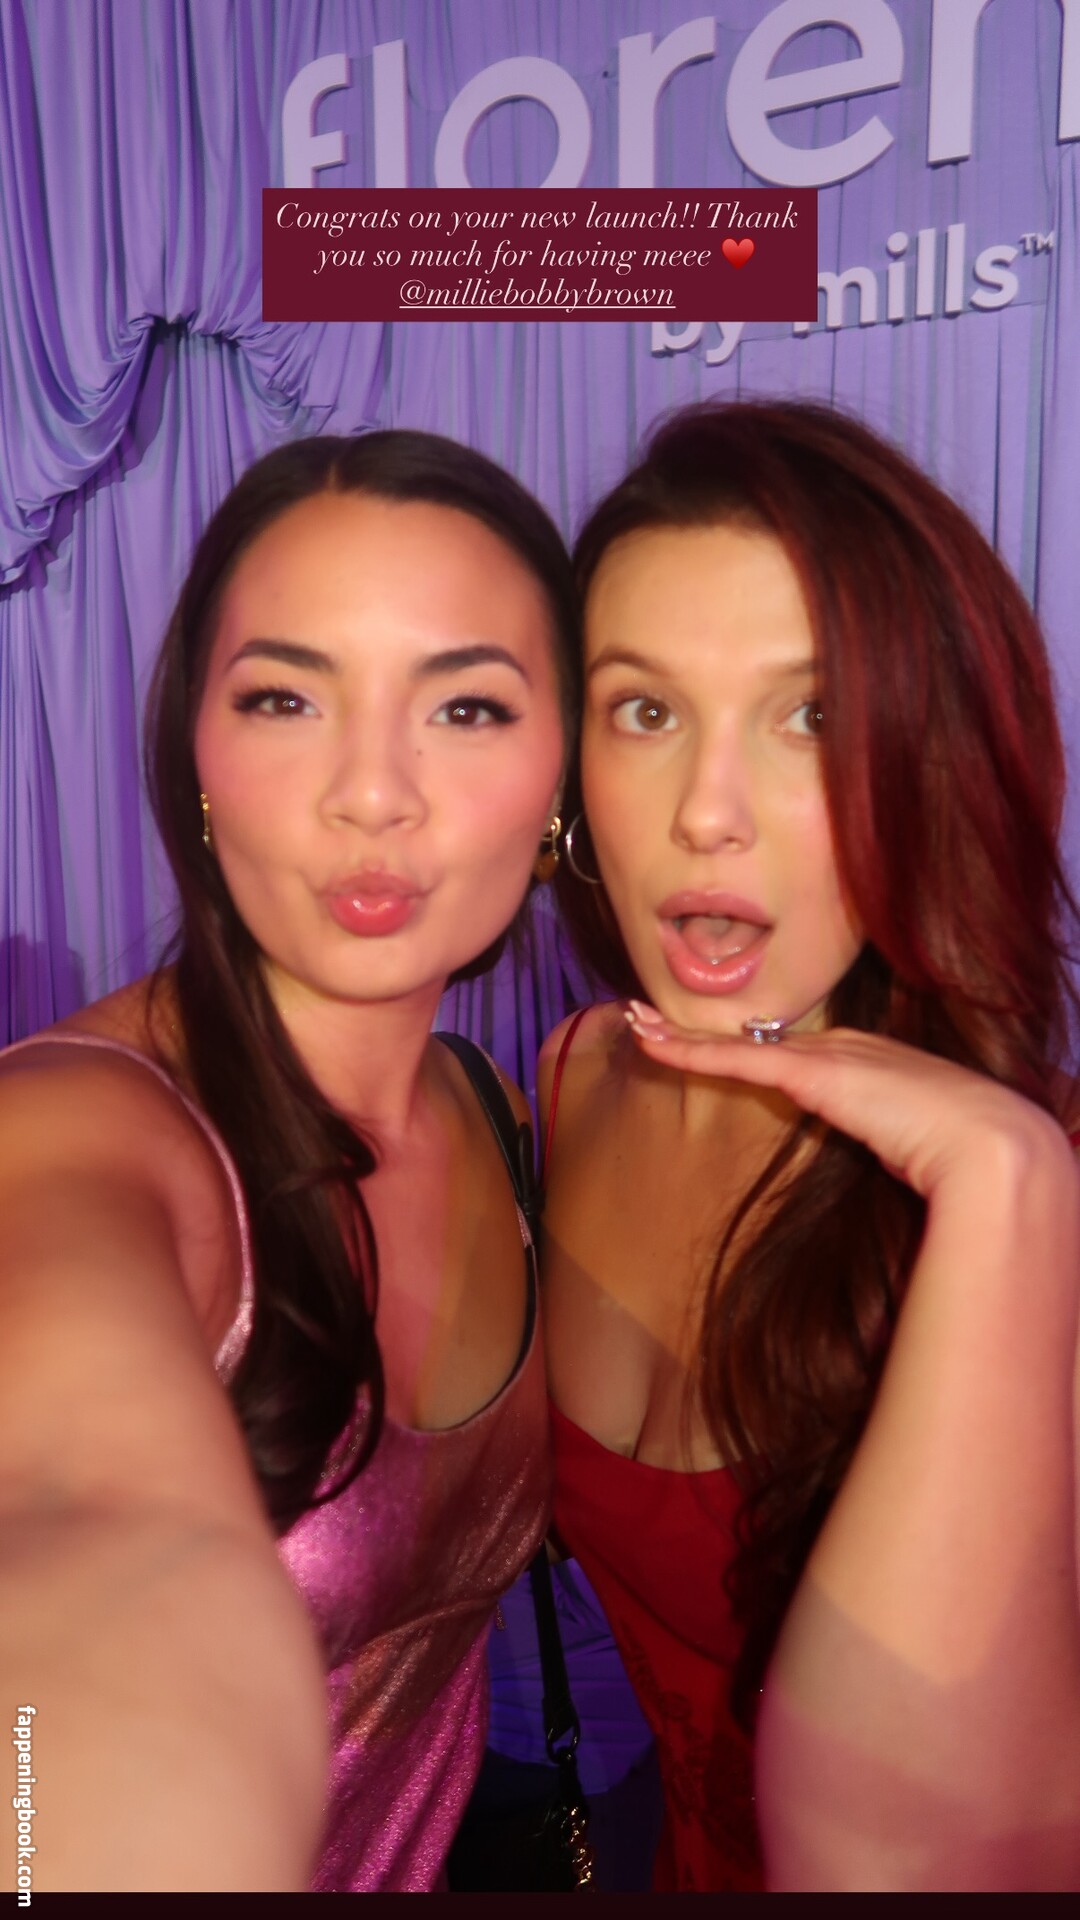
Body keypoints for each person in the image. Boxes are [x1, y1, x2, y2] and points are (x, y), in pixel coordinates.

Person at [0, 429, 578, 1892]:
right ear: (194, 756)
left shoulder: (504, 1116)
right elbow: (83, 1531)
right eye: (285, 698)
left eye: (465, 706)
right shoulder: (72, 1134)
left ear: (563, 776)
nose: (371, 793)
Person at [538, 399, 1080, 1892]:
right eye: (645, 712)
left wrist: (1006, 1186)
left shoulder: (1036, 1197)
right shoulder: (569, 1081)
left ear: (931, 757)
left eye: (814, 717)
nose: (707, 816)